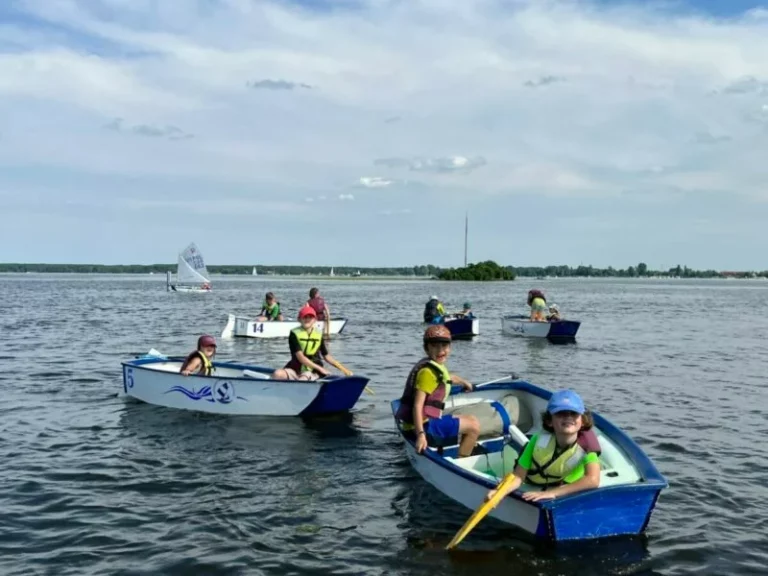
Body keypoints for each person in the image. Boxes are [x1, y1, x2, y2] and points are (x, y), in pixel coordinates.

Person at [484, 389, 601, 503]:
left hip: (562, 487)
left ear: (583, 421)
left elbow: (593, 480)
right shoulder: (538, 440)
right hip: (533, 484)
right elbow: (518, 476)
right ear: (550, 421)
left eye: (574, 413)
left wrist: (552, 493)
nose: (568, 417)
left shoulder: (587, 447)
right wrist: (500, 492)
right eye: (561, 413)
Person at [395, 325, 480, 457]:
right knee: (473, 426)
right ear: (426, 348)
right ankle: (462, 460)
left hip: (424, 422)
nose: (440, 350)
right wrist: (421, 435)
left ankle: (463, 448)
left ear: (450, 348)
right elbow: (417, 406)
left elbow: (447, 378)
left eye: (444, 346)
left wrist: (463, 382)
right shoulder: (427, 373)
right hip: (422, 427)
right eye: (435, 346)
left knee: (471, 418)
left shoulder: (434, 366)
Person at [271, 305, 349, 381]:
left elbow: (326, 356)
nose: (307, 319)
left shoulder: (318, 334)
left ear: (315, 320)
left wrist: (343, 369)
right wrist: (321, 369)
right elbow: (301, 358)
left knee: (304, 378)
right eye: (305, 317)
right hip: (296, 369)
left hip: (312, 371)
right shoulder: (294, 334)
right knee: (277, 374)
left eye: (310, 317)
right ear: (299, 319)